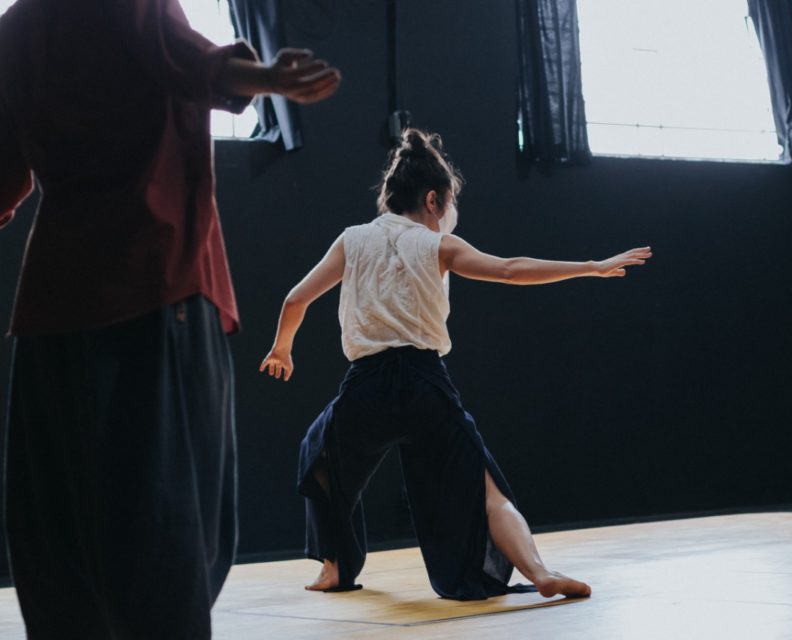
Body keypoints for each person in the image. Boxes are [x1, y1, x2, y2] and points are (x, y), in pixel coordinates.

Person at [0, 0, 341, 637]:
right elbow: (197, 63)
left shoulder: (15, 27)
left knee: (59, 535)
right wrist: (269, 79)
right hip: (153, 290)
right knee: (169, 530)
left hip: (50, 311)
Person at [260, 128, 652, 600]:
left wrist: (282, 348)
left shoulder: (353, 241)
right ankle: (539, 571)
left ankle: (335, 566)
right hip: (425, 384)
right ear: (432, 199)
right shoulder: (438, 245)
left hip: (366, 387)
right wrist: (590, 265)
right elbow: (510, 269)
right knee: (488, 491)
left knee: (318, 456)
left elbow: (296, 299)